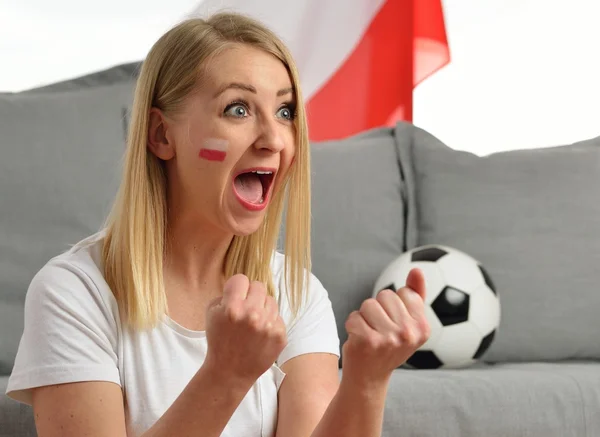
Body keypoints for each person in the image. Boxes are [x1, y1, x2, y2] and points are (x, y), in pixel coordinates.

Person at [6, 11, 430, 437]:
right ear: (161, 136)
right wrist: (226, 375)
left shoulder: (296, 292)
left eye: (284, 111)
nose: (273, 139)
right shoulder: (74, 292)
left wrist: (367, 382)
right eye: (239, 108)